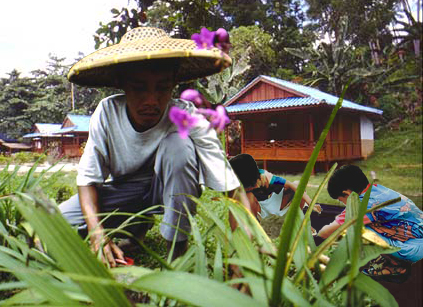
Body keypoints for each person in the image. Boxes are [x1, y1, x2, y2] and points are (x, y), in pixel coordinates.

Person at [59, 26, 250, 267]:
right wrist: (97, 234)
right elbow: (87, 180)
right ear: (122, 84)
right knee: (58, 221)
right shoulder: (107, 112)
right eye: (139, 88)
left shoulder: (186, 114)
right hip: (124, 191)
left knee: (178, 145)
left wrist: (244, 254)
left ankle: (177, 249)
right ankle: (136, 226)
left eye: (161, 88)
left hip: (168, 188)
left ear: (173, 85)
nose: (151, 100)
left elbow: (232, 188)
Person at [317, 164, 423, 282]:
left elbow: (326, 233)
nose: (343, 204)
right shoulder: (377, 190)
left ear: (347, 193)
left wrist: (313, 239)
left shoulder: (363, 205)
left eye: (340, 200)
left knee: (353, 232)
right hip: (416, 239)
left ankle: (397, 267)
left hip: (414, 250)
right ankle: (391, 260)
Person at [229, 154, 320, 220]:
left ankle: (298, 219)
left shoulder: (265, 176)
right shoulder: (237, 183)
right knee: (248, 196)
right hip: (259, 209)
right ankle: (254, 225)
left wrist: (311, 203)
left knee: (297, 184)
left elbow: (291, 185)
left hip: (276, 202)